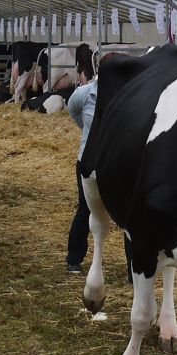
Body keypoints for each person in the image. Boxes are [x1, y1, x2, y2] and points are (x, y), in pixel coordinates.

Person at [66, 76, 98, 274]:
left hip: (116, 162)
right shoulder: (85, 93)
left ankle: (133, 269)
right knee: (85, 209)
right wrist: (87, 131)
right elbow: (72, 110)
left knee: (125, 213)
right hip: (88, 161)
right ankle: (74, 259)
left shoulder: (126, 93)